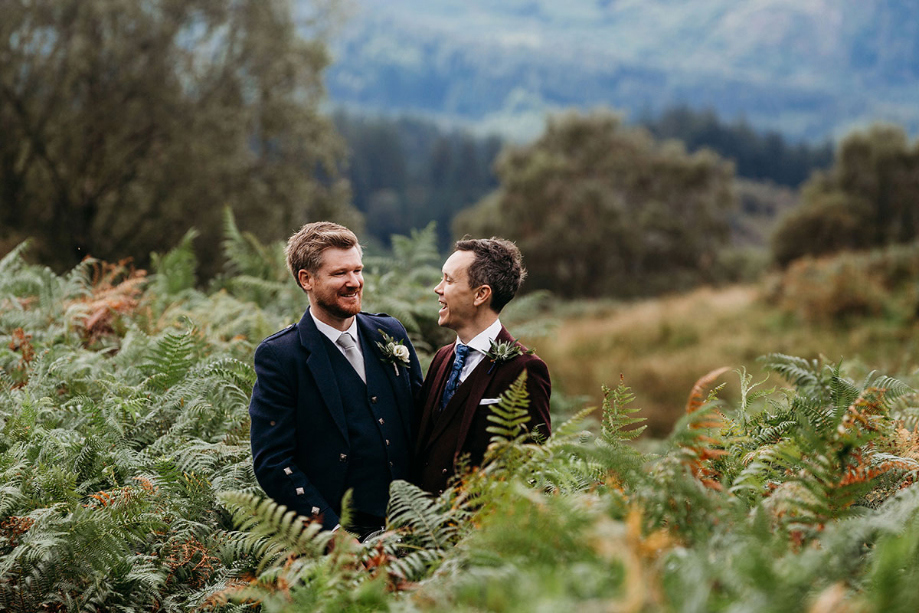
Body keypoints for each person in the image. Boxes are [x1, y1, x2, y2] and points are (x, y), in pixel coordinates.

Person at [248, 222, 423, 540]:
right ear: (306, 280)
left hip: (413, 523)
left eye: (358, 270)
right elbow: (273, 461)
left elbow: (421, 418)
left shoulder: (390, 332)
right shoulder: (281, 356)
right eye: (340, 273)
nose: (354, 282)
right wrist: (332, 535)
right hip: (342, 535)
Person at [414, 237, 551, 495]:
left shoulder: (525, 370)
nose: (438, 288)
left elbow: (533, 467)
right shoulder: (442, 358)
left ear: (481, 294)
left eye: (449, 280)